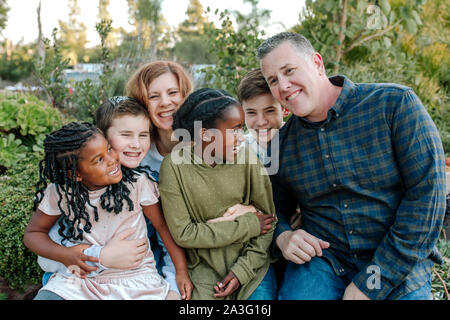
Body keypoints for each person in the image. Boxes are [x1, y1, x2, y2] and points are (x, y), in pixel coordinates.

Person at [257, 32, 446, 300]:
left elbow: (428, 198)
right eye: (273, 80)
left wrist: (371, 283)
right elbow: (271, 209)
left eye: (289, 71)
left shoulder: (393, 105)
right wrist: (283, 236)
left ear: (317, 63)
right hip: (324, 261)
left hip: (396, 259)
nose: (284, 86)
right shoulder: (280, 146)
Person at [37, 97, 189, 300]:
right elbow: (37, 235)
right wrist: (69, 255)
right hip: (83, 277)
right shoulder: (63, 190)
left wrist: (178, 275)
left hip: (134, 279)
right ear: (103, 135)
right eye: (126, 135)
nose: (136, 144)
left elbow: (164, 229)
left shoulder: (139, 183)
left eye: (143, 135)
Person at [158, 88, 278, 300]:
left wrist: (242, 271)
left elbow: (268, 223)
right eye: (234, 130)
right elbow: (184, 233)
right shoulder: (174, 167)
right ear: (205, 133)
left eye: (241, 129)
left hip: (252, 267)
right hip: (204, 272)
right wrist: (248, 225)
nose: (241, 138)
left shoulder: (247, 159)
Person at [237, 68, 286, 165]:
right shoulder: (237, 151)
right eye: (251, 113)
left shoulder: (302, 142)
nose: (261, 122)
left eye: (269, 111)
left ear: (285, 109)